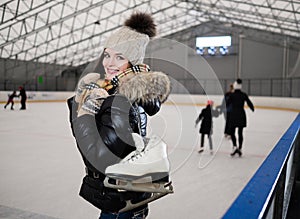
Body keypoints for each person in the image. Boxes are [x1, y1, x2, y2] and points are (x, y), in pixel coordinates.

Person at [67, 12, 171, 219]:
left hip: (120, 202)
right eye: (107, 54)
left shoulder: (118, 99)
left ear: (132, 62)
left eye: (120, 57)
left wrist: (82, 110)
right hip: (128, 197)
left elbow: (101, 158)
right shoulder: (130, 91)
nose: (109, 63)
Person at [227, 79, 254, 157]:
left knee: (232, 132)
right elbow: (249, 102)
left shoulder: (232, 95)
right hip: (241, 114)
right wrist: (252, 108)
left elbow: (227, 103)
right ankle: (240, 148)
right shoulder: (243, 95)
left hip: (233, 115)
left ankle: (235, 146)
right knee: (240, 132)